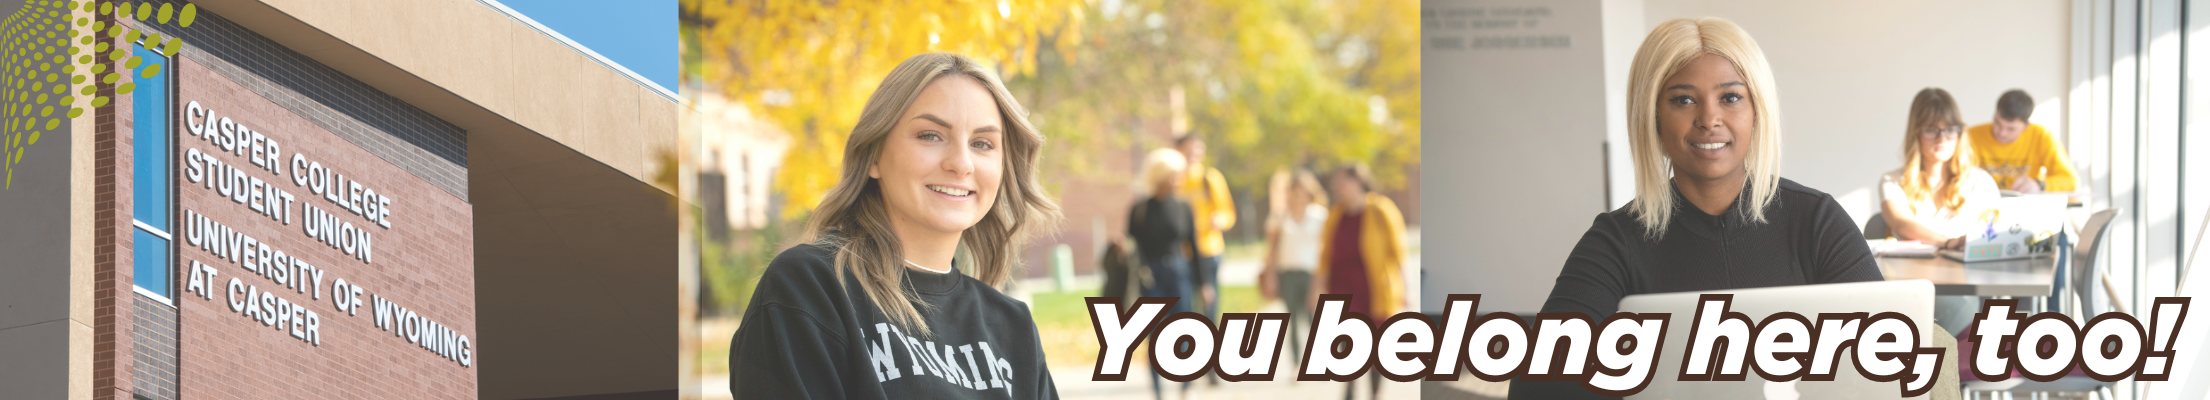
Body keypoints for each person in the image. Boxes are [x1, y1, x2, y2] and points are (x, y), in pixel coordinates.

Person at [1509, 18, 1886, 400]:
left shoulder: (1816, 220)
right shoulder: (1616, 240)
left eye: (1731, 97)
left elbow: (1889, 355)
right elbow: (1539, 383)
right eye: (1683, 99)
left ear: (1757, 110)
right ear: (1653, 116)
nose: (1708, 120)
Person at [729, 53, 1063, 399]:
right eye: (930, 136)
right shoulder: (810, 288)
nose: (961, 164)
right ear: (874, 155)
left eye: (982, 143)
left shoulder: (1012, 325)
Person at [1310, 164, 1407, 400]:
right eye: (1338, 183)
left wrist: (1404, 288)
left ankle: (1375, 393)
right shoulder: (1335, 214)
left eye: (1344, 182)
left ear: (1359, 182)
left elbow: (1398, 251)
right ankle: (1350, 392)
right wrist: (1317, 287)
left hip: (1372, 288)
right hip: (1341, 288)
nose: (1339, 187)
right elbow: (1325, 256)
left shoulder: (1380, 209)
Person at [1126, 148, 1203, 400]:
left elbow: (1193, 244)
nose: (1178, 179)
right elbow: (1132, 245)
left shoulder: (1183, 207)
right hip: (1152, 277)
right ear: (1160, 176)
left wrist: (1204, 283)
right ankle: (1158, 391)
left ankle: (1186, 386)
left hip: (1179, 273)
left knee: (1185, 332)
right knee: (1154, 336)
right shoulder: (1140, 209)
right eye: (1174, 175)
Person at [1880, 87, 2000, 247]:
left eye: (1950, 130)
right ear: (1916, 134)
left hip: (1967, 270)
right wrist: (1948, 243)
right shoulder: (1892, 181)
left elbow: (1992, 233)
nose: (1941, 138)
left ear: (1959, 133)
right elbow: (1901, 224)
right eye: (1931, 130)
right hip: (1910, 271)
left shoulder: (1981, 181)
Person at [1260, 168, 1327, 367]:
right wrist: (1270, 274)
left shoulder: (1320, 216)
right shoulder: (1280, 218)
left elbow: (1327, 248)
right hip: (1288, 273)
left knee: (1315, 317)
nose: (1298, 196)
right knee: (1293, 319)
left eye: (1302, 191)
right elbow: (1271, 250)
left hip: (1312, 273)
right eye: (1294, 191)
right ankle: (1297, 364)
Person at [1964, 89, 2080, 195]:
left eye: (2011, 129)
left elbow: (2070, 181)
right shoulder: (1971, 135)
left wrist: (2038, 184)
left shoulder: (2041, 137)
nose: (2002, 132)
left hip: (2025, 205)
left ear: (2026, 126)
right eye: (1997, 123)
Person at [1175, 134, 1235, 318]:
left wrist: (1219, 220)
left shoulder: (1210, 178)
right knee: (1186, 306)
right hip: (1183, 252)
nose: (1193, 153)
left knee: (1208, 305)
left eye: (1198, 148)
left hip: (1208, 250)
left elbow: (1229, 214)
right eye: (1189, 149)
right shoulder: (1175, 180)